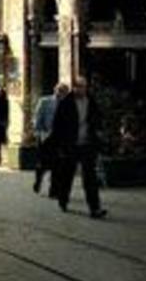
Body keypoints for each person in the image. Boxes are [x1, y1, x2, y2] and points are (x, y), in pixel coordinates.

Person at [47, 75, 108, 218]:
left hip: (87, 144)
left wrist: (98, 133)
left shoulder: (91, 101)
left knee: (90, 178)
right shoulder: (66, 103)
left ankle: (95, 208)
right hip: (71, 145)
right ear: (74, 87)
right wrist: (59, 146)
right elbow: (58, 126)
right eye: (79, 86)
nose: (81, 89)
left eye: (84, 86)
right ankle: (63, 200)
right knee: (67, 175)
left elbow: (97, 118)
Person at [32, 82, 70, 195]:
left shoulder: (68, 105)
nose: (61, 94)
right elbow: (38, 119)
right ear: (55, 91)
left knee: (57, 165)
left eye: (64, 92)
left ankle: (53, 190)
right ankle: (38, 181)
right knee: (42, 164)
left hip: (59, 139)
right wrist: (40, 133)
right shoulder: (45, 101)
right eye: (59, 91)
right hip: (45, 137)